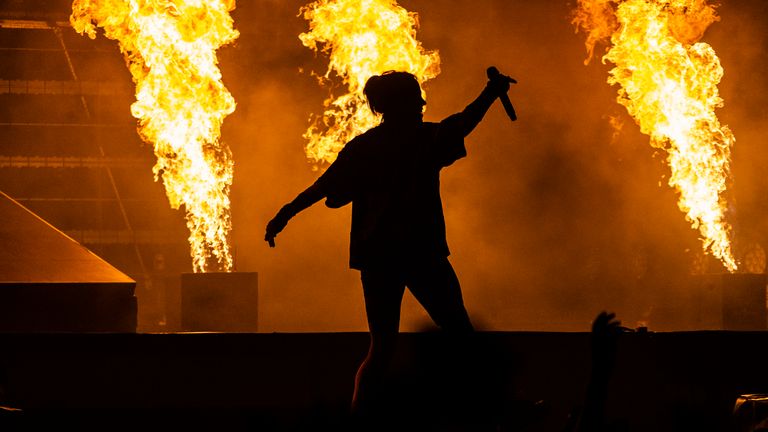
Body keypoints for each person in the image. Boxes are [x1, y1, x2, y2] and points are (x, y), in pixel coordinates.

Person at [264, 68, 514, 418]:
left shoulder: (363, 148)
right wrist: (491, 92)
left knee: (382, 347)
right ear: (404, 104)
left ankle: (358, 417)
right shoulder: (425, 140)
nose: (422, 105)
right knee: (460, 335)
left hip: (378, 256)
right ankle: (493, 411)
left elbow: (323, 188)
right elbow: (463, 122)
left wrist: (285, 214)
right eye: (416, 99)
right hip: (421, 252)